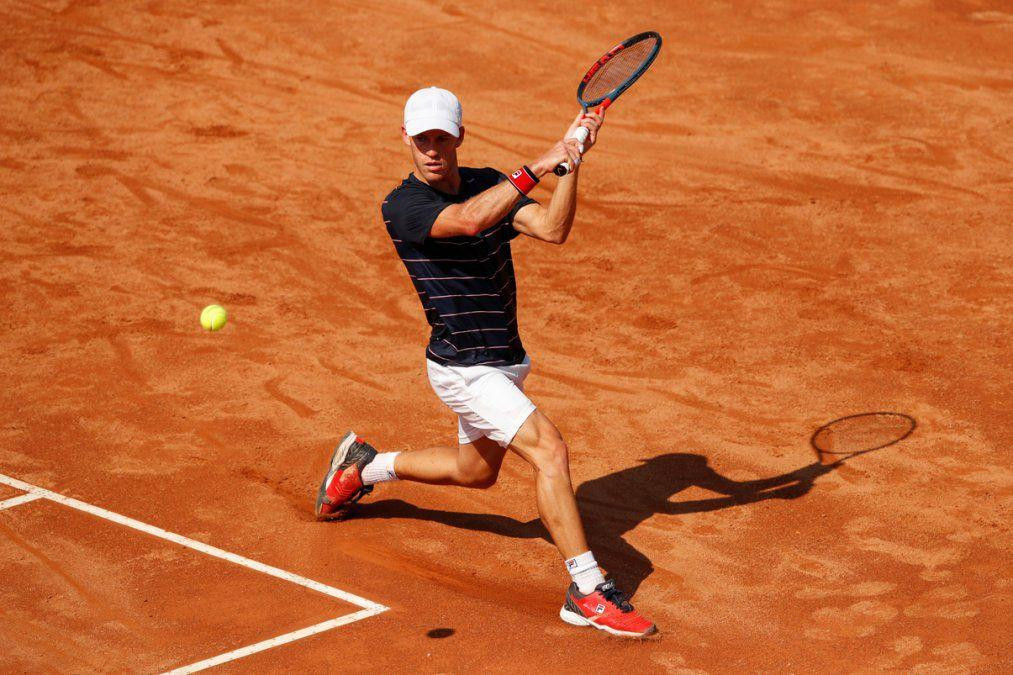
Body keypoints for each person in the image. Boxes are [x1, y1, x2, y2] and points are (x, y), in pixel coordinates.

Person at [315, 87, 656, 637]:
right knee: (550, 449)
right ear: (405, 138)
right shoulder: (402, 205)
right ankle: (586, 588)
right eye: (421, 138)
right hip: (463, 367)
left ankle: (364, 466)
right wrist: (538, 165)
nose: (431, 149)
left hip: (506, 360)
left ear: (459, 138)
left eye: (441, 139)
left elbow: (552, 229)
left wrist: (571, 161)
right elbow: (470, 221)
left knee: (475, 473)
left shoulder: (486, 180)